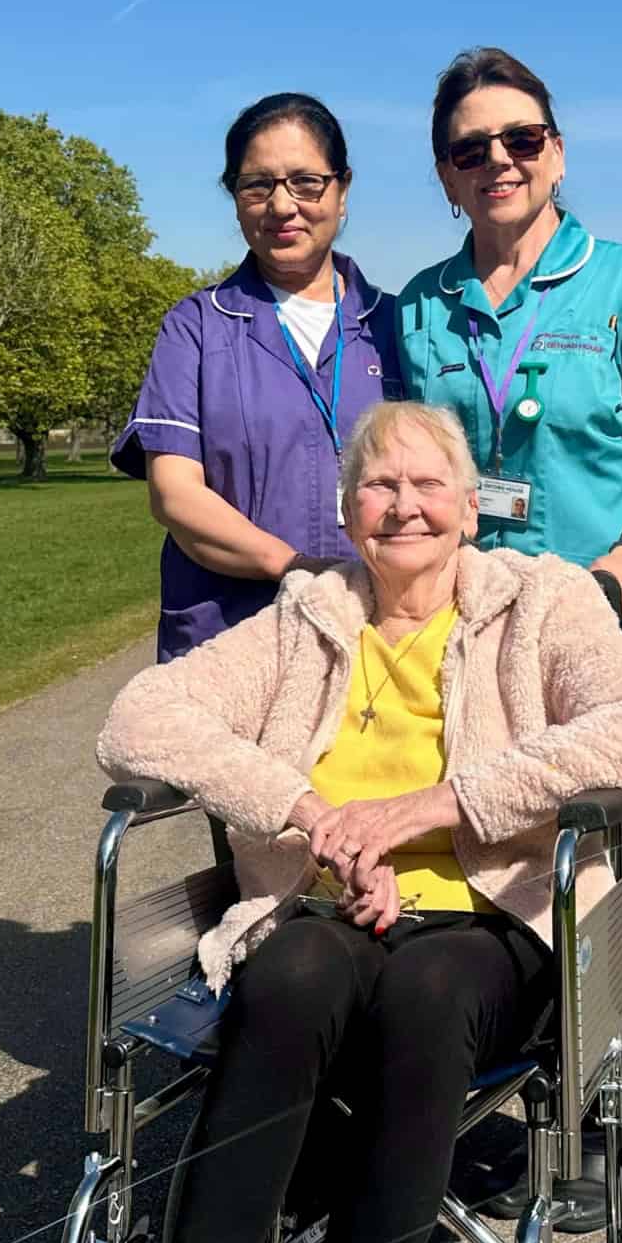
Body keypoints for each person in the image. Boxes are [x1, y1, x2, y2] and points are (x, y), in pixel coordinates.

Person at [98, 402, 622, 1243]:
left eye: (428, 484)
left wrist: (437, 806)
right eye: (379, 484)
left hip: (497, 916)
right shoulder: (308, 616)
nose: (404, 504)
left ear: (470, 508)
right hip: (330, 905)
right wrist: (310, 814)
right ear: (346, 514)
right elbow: (136, 719)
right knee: (288, 979)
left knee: (426, 988)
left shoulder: (543, 601)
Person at [110, 93, 399, 860]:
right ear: (234, 196)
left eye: (305, 182)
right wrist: (301, 571)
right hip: (238, 643)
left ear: (342, 188)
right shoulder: (196, 327)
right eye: (256, 185)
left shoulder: (397, 327)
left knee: (378, 861)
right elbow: (175, 494)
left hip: (378, 644)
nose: (283, 205)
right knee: (261, 866)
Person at [393, 48, 622, 736]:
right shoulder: (419, 305)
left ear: (557, 154)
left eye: (522, 139)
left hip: (604, 620)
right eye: (471, 151)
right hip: (472, 637)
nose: (499, 160)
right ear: (449, 178)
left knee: (610, 837)